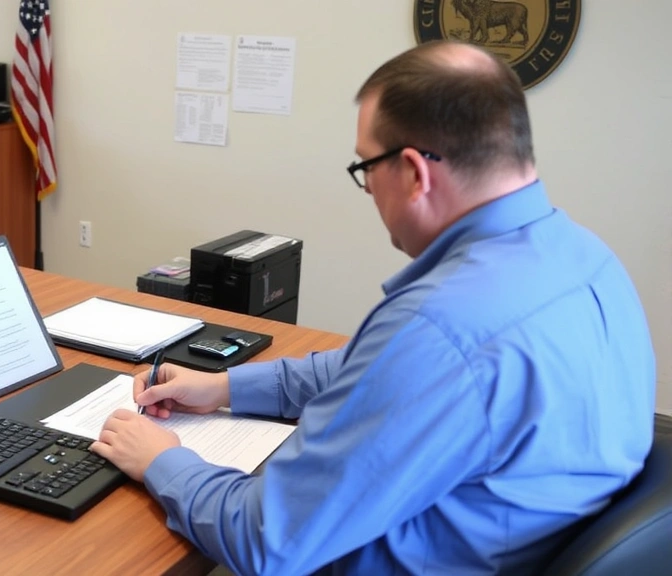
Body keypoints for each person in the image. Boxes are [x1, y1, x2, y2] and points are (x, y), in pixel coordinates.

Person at [90, 40, 656, 575]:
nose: (368, 190)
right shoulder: (584, 257)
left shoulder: (440, 326)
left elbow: (266, 542)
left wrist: (160, 459)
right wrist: (227, 388)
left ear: (413, 173)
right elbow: (382, 371)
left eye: (366, 168)